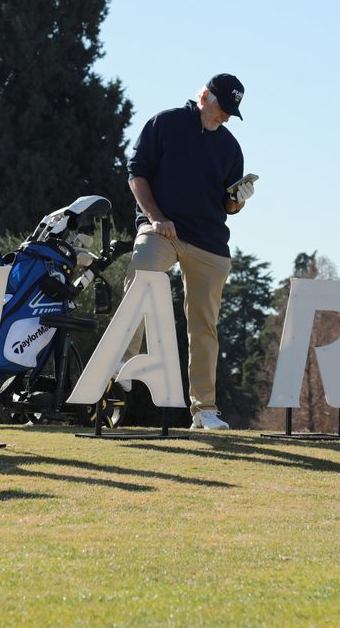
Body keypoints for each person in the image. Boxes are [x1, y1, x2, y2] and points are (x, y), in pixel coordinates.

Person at [124, 73, 256, 429]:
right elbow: (136, 174)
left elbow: (228, 205)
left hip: (209, 243)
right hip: (161, 229)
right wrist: (155, 217)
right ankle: (115, 378)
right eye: (222, 108)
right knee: (140, 281)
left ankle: (205, 410)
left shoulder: (231, 147)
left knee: (204, 326)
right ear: (204, 96)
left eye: (231, 112)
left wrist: (237, 201)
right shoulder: (165, 123)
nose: (226, 117)